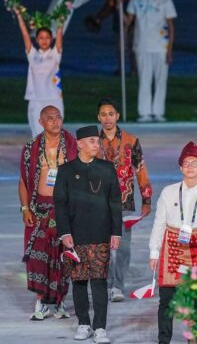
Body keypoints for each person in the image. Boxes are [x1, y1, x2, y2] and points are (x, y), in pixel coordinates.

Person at [148, 142, 197, 344]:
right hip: (171, 247)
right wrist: (154, 252)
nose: (190, 167)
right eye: (186, 163)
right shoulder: (168, 192)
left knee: (194, 301)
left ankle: (194, 341)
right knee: (166, 301)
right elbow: (159, 223)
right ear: (180, 168)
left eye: (194, 163)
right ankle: (163, 341)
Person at [54, 125, 123, 343]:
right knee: (79, 281)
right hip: (75, 235)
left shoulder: (107, 168)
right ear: (80, 143)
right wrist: (64, 232)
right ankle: (83, 323)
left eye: (97, 140)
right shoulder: (65, 170)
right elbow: (60, 204)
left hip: (101, 234)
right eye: (92, 141)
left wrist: (116, 232)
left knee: (100, 282)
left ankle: (100, 327)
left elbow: (115, 203)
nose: (96, 144)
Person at [19, 105, 77, 320]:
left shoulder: (72, 146)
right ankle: (41, 302)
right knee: (38, 258)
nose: (55, 121)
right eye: (50, 118)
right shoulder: (31, 148)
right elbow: (23, 182)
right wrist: (25, 208)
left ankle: (60, 302)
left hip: (66, 210)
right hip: (38, 211)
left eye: (58, 117)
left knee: (64, 257)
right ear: (41, 122)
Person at [96, 98, 153, 303]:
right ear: (98, 117)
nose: (107, 118)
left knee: (122, 248)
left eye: (111, 114)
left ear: (117, 116)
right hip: (98, 203)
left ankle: (118, 286)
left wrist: (146, 198)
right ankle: (105, 284)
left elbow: (141, 170)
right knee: (101, 246)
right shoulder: (93, 142)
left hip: (124, 202)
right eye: (103, 114)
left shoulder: (131, 140)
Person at [124, 0, 177, 123]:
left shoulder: (165, 0)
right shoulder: (136, 0)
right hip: (141, 46)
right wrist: (119, 7)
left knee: (161, 80)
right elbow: (128, 22)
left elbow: (171, 27)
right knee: (144, 79)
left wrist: (169, 50)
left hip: (161, 46)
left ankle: (158, 112)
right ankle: (144, 112)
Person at [14, 8, 64, 137]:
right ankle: (39, 157)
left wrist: (61, 19)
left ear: (51, 39)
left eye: (47, 37)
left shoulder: (55, 54)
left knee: (55, 135)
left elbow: (59, 32)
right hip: (35, 99)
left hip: (54, 99)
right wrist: (19, 15)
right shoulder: (32, 54)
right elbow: (25, 34)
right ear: (36, 39)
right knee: (37, 136)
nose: (44, 40)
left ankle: (54, 157)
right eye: (41, 37)